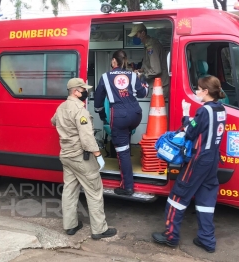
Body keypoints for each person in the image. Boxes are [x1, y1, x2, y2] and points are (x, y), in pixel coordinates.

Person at [151, 76, 226, 253]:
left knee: (177, 197)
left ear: (206, 91)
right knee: (206, 201)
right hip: (213, 160)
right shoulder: (221, 109)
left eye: (199, 89)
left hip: (198, 160)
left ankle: (171, 236)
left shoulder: (204, 111)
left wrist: (185, 115)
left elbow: (191, 132)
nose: (197, 92)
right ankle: (207, 240)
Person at [51, 78, 117, 240]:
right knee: (94, 191)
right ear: (76, 91)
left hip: (66, 156)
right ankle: (99, 229)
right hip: (80, 157)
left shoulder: (61, 107)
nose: (86, 93)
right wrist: (98, 155)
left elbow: (53, 122)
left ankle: (70, 225)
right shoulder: (79, 110)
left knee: (70, 190)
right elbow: (87, 138)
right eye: (84, 90)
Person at [94, 50, 148, 196]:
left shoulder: (105, 77)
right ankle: (126, 149)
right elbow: (143, 93)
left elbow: (98, 99)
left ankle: (127, 187)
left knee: (122, 152)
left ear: (113, 61)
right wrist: (142, 80)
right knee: (125, 138)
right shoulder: (132, 75)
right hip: (136, 115)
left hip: (119, 116)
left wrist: (101, 113)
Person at [128, 23, 170, 98]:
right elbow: (150, 64)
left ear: (143, 33)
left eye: (136, 35)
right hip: (158, 85)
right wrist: (141, 70)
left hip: (160, 85)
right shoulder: (148, 45)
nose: (135, 37)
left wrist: (143, 75)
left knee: (156, 109)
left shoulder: (151, 46)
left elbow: (156, 70)